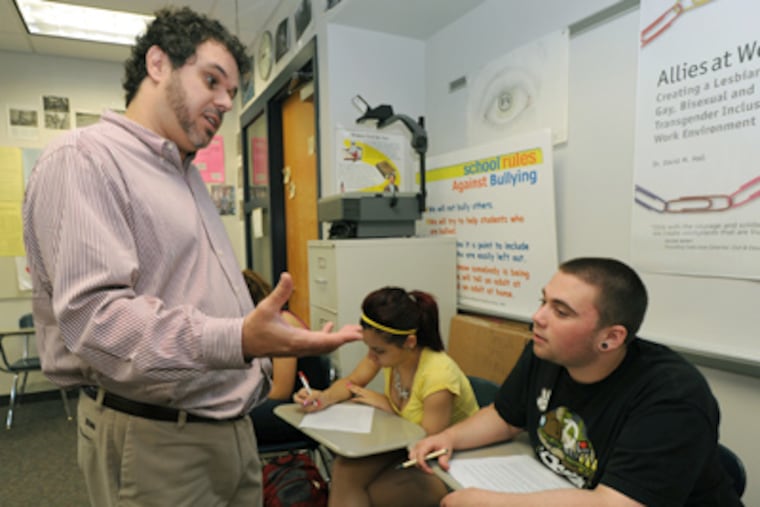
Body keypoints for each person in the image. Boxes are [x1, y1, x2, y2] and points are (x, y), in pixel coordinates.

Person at [22, 7, 361, 507]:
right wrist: (240, 338)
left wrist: (258, 346)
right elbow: (98, 322)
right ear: (158, 64)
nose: (226, 101)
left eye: (232, 90)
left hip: (229, 431)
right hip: (157, 439)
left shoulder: (184, 174)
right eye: (212, 80)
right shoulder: (85, 159)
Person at [410, 257, 743, 507]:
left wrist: (490, 501)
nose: (538, 317)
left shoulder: (673, 396)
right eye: (544, 301)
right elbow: (505, 416)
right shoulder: (546, 352)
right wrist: (449, 436)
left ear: (610, 338)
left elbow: (617, 504)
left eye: (561, 312)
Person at [294, 287, 479, 507]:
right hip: (403, 447)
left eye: (379, 351)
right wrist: (323, 397)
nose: (372, 356)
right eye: (369, 348)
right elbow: (352, 382)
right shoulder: (389, 355)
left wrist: (391, 408)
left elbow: (428, 444)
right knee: (344, 469)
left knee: (374, 493)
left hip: (446, 466)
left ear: (410, 342)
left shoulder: (438, 377)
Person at [243, 269, 312, 445]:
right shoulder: (259, 329)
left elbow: (281, 391)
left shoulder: (283, 323)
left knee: (229, 419)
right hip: (279, 403)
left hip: (297, 407)